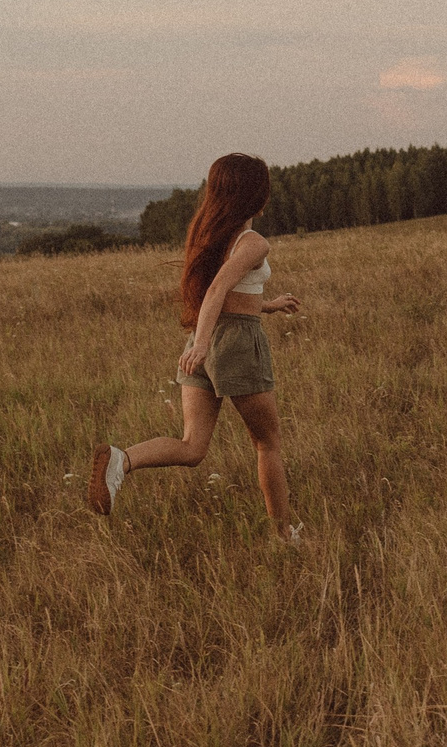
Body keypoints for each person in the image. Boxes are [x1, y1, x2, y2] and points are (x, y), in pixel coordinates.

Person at [89, 152, 302, 540]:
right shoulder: (254, 242)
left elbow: (225, 294)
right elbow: (220, 288)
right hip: (231, 344)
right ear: (259, 195)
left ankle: (122, 460)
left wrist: (267, 305)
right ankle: (284, 536)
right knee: (267, 443)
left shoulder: (212, 237)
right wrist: (203, 344)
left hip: (208, 342)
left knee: (192, 447)